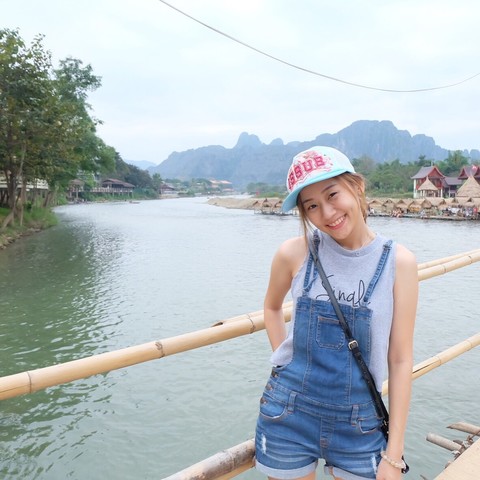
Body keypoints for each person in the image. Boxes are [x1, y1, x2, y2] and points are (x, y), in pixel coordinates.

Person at [254, 146, 418, 480]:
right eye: (311, 206)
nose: (327, 213)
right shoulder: (294, 253)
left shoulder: (398, 262)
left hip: (360, 425)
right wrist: (284, 361)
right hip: (288, 415)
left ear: (357, 187)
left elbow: (400, 359)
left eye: (332, 195)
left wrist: (393, 455)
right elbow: (271, 307)